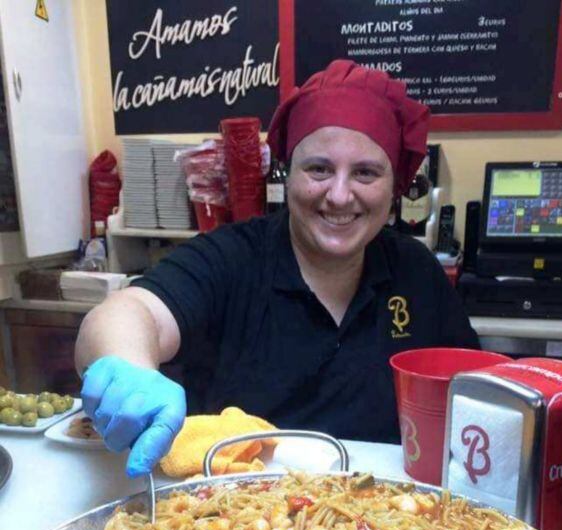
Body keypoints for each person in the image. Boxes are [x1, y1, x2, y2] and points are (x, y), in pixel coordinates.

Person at [75, 59, 479, 477]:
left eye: (365, 173)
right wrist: (129, 370)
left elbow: (476, 395)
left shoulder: (416, 272)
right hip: (231, 521)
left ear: (394, 186)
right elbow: (124, 314)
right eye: (319, 169)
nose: (340, 195)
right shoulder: (233, 258)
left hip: (385, 518)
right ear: (286, 174)